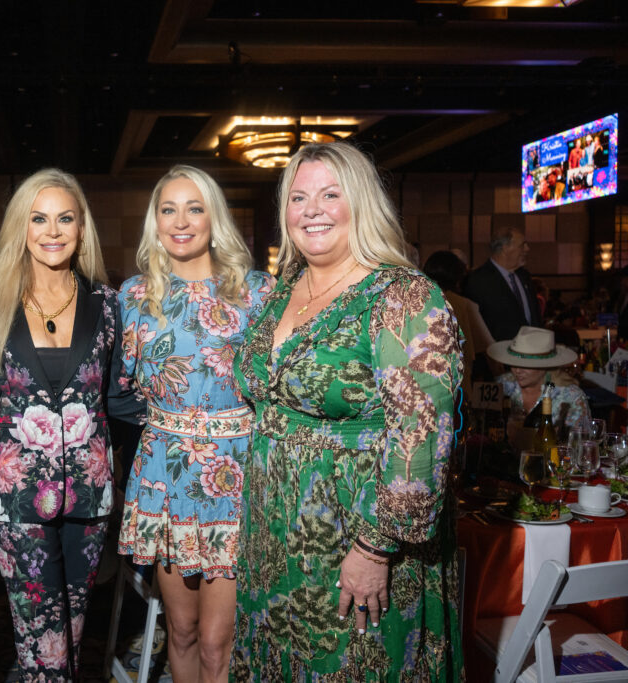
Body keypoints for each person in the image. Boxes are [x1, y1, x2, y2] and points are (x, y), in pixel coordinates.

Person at [232, 142, 463, 680]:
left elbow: (421, 435)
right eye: (298, 197)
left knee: (352, 665)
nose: (312, 210)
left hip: (353, 532)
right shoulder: (282, 291)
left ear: (361, 204)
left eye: (330, 194)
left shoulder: (402, 296)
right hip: (275, 532)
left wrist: (376, 549)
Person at [0, 169, 142, 681]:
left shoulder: (108, 304)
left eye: (65, 218)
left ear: (81, 227)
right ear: (20, 228)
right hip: (17, 498)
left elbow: (119, 399)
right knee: (38, 641)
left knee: (71, 630)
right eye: (39, 218)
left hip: (89, 499)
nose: (53, 231)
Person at [119, 164, 273, 682]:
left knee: (215, 642)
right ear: (154, 221)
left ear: (215, 217)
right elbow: (120, 387)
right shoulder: (134, 297)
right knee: (180, 634)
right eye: (168, 209)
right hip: (165, 478)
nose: (181, 222)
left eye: (195, 208)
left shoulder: (256, 292)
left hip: (234, 479)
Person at [488, 326, 590, 435]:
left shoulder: (570, 397)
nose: (517, 370)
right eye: (514, 363)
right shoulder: (501, 385)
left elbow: (580, 444)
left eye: (526, 364)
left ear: (546, 365)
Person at [422, 250, 494, 397]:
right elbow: (484, 347)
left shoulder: (416, 300)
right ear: (458, 277)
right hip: (456, 387)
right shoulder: (462, 305)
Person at [465, 224, 541, 342]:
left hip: (531, 353)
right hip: (498, 355)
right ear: (505, 248)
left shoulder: (524, 276)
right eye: (522, 245)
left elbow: (534, 317)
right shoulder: (479, 280)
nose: (527, 249)